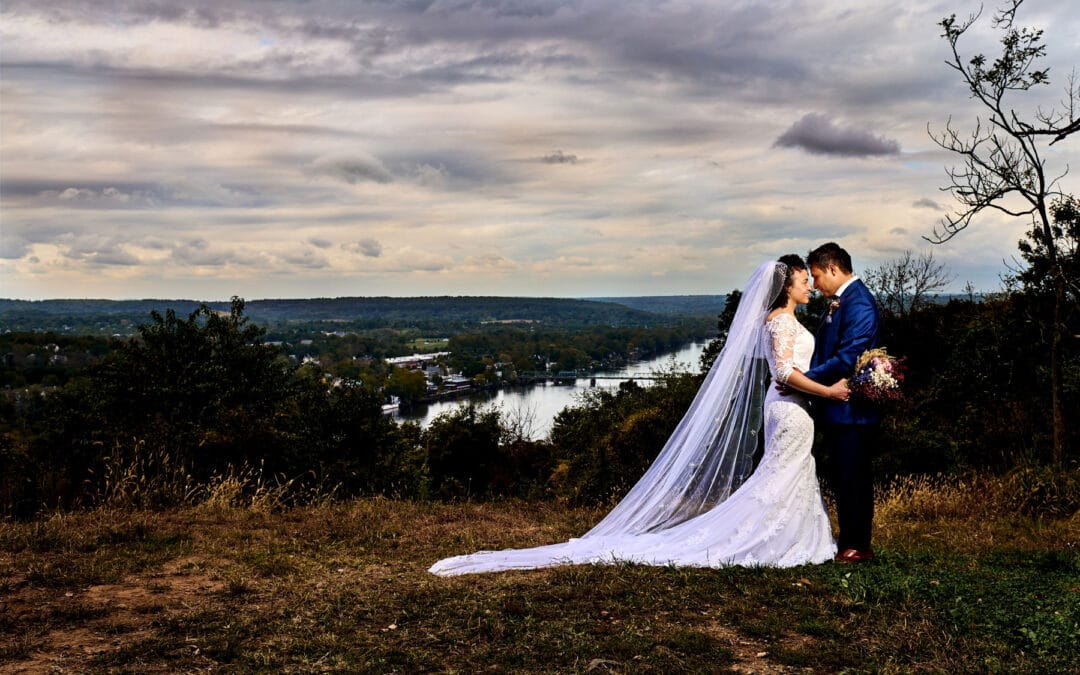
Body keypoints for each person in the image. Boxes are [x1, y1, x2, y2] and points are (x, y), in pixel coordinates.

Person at [429, 256, 848, 576]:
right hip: (790, 410)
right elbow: (782, 372)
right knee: (780, 475)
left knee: (785, 475)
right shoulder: (781, 324)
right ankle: (772, 542)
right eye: (802, 279)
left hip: (791, 409)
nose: (809, 284)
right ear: (785, 285)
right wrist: (828, 390)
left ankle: (792, 539)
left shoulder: (783, 320)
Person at [801, 243, 881, 564]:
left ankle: (858, 546)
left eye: (817, 276)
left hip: (853, 410)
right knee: (844, 476)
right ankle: (849, 540)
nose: (815, 284)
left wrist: (802, 380)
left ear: (833, 269)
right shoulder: (840, 301)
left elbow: (846, 358)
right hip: (838, 408)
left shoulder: (859, 303)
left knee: (855, 477)